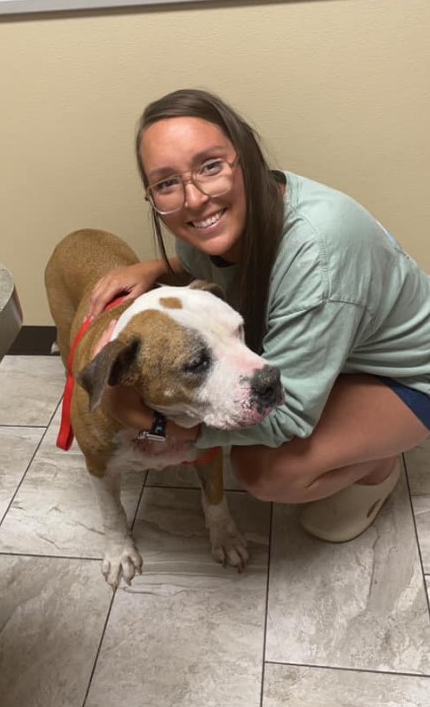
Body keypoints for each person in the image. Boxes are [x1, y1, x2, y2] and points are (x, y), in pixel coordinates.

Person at [88, 88, 430, 542]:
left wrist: (154, 424)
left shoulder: (319, 254)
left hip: (409, 375)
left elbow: (286, 419)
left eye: (210, 165)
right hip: (341, 350)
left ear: (245, 156)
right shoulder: (204, 229)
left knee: (263, 470)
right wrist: (157, 268)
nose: (193, 198)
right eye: (167, 182)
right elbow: (211, 274)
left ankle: (377, 466)